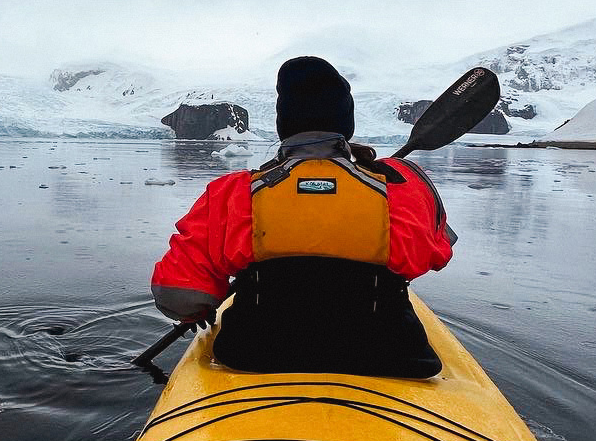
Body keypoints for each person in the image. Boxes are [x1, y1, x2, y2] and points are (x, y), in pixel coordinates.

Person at [150, 56, 455, 377]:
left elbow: (178, 294)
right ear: (345, 123)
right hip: (390, 355)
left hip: (255, 354)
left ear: (285, 124)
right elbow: (439, 251)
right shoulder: (402, 183)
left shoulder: (233, 192)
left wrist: (195, 310)